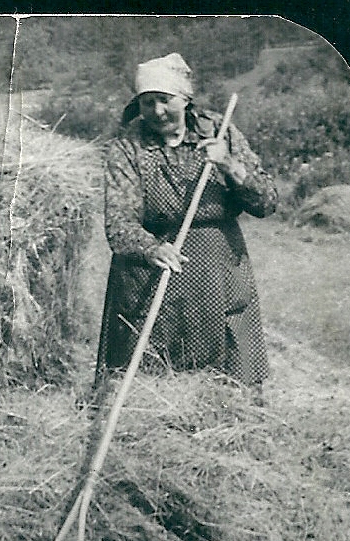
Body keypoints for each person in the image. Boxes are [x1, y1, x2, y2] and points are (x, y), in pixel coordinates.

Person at [94, 53, 277, 398]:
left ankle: (232, 419)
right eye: (148, 102)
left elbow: (267, 202)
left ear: (185, 99)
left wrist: (230, 166)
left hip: (217, 265)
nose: (157, 111)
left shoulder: (220, 133)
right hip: (150, 268)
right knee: (151, 363)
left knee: (226, 360)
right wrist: (150, 248)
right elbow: (118, 224)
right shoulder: (127, 148)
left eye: (166, 100)